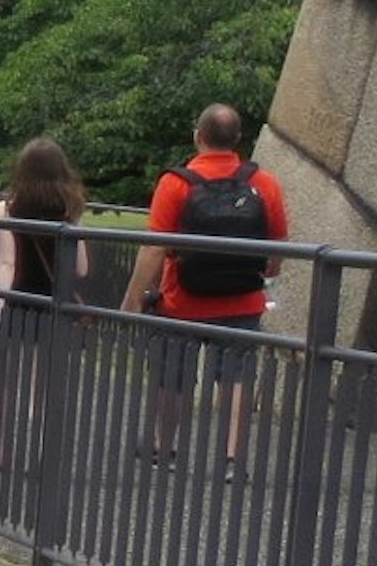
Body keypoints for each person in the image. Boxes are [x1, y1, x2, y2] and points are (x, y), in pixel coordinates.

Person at [123, 104, 288, 471]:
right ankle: (232, 458)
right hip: (242, 301)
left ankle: (163, 448)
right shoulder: (264, 183)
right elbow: (276, 249)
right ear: (238, 140)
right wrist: (263, 275)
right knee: (237, 380)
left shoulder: (176, 184)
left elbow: (154, 249)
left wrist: (133, 300)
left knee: (172, 377)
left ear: (198, 136)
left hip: (182, 301)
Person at [0, 137, 88, 464]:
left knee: (4, 377)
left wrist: (2, 304)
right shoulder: (70, 207)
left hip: (17, 297)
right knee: (46, 380)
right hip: (54, 300)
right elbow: (81, 266)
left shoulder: (7, 208)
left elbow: (7, 262)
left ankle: (0, 448)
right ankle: (45, 450)